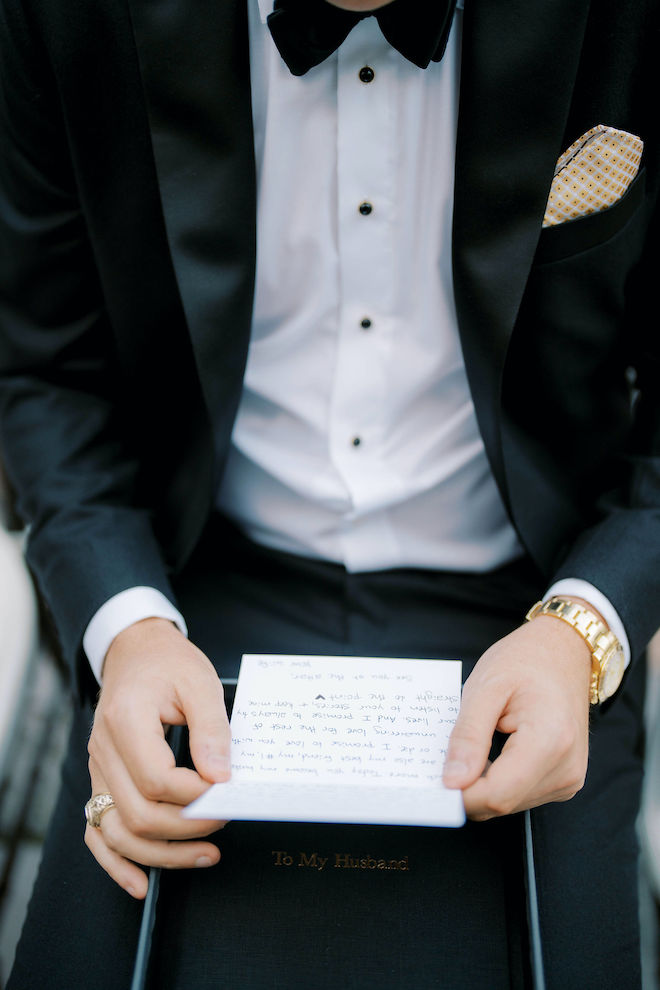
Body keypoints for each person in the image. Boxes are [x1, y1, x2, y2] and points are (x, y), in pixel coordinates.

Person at [0, 0, 657, 986]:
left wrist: (589, 627)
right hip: (189, 578)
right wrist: (125, 628)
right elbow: (43, 368)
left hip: (537, 602)